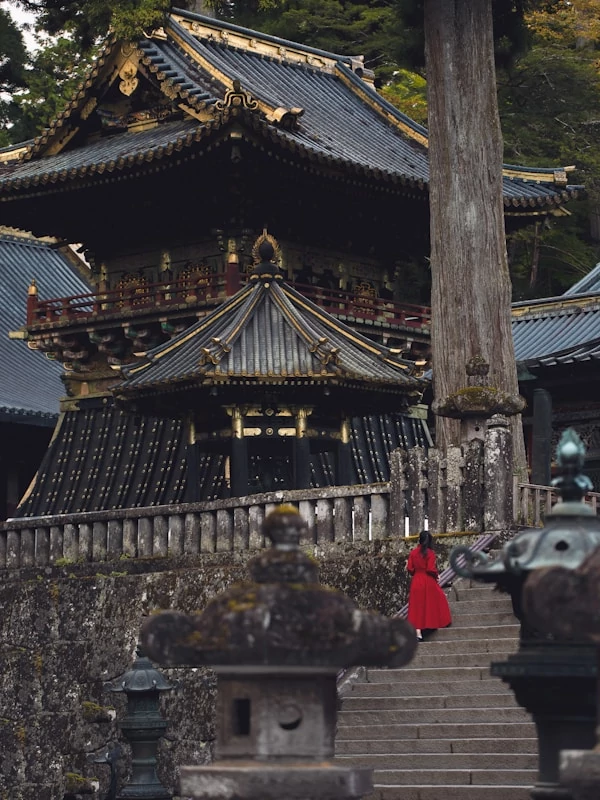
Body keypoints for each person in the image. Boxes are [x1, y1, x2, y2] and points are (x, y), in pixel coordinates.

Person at [407, 530, 451, 641]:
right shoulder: (430, 553)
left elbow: (410, 569)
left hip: (416, 580)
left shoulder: (413, 553)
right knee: (438, 598)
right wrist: (437, 576)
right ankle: (438, 622)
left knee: (417, 606)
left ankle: (418, 632)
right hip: (428, 580)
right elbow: (430, 569)